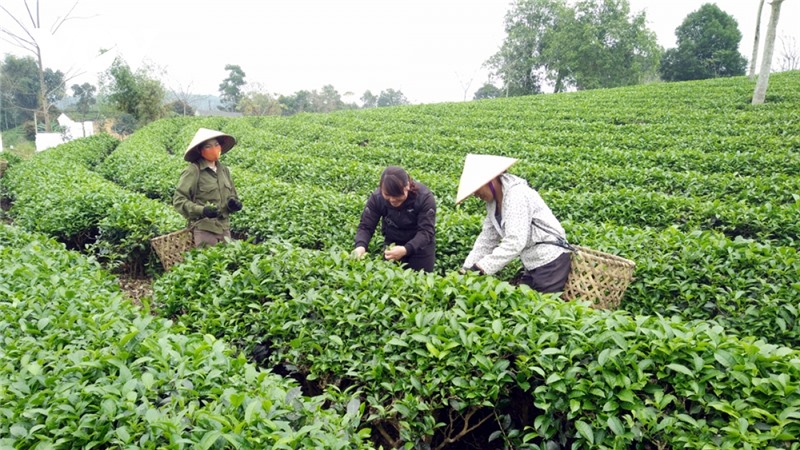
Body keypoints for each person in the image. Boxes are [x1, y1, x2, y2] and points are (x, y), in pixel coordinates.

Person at [456, 154, 572, 293]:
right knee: (523, 301)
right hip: (531, 263)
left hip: (550, 262)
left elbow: (515, 242)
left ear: (490, 180)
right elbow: (487, 239)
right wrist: (467, 268)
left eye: (476, 189)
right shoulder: (493, 203)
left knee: (541, 304)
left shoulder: (516, 195)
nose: (475, 195)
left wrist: (482, 268)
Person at [353, 166, 436, 272]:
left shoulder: (424, 197)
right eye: (387, 195)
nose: (392, 200)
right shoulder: (377, 198)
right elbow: (366, 226)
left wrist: (406, 249)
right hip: (392, 243)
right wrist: (361, 246)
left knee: (420, 279)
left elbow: (426, 231)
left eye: (397, 195)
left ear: (407, 186)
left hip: (420, 247)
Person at [173, 128, 243, 247]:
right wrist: (202, 210)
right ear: (200, 150)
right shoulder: (193, 171)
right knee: (208, 258)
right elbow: (179, 201)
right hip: (204, 230)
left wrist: (233, 204)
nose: (214, 149)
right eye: (208, 146)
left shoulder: (224, 170)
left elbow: (232, 195)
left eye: (216, 145)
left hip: (224, 228)